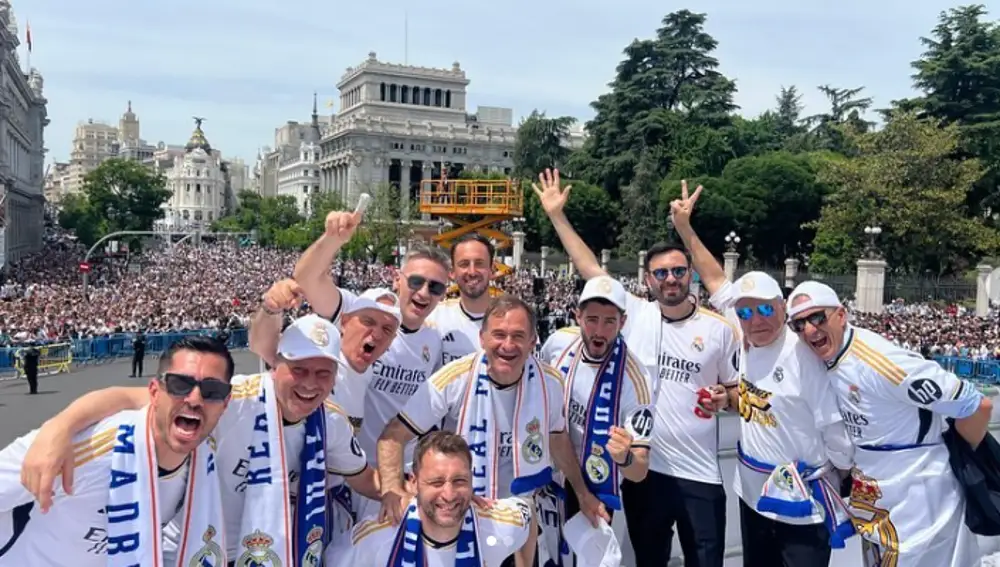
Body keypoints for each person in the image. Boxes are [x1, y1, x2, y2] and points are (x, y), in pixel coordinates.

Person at [19, 314, 381, 566]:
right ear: (275, 366)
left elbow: (364, 478)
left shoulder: (329, 421)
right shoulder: (229, 396)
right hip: (190, 547)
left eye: (322, 373)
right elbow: (128, 397)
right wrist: (60, 427)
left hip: (266, 551)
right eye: (298, 370)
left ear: (335, 378)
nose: (309, 383)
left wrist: (403, 489)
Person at [534, 168, 739, 567]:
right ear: (649, 280)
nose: (671, 279)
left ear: (690, 275)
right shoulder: (636, 314)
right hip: (642, 470)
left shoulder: (720, 329)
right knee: (647, 560)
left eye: (679, 271)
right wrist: (557, 216)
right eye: (661, 273)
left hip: (700, 474)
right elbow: (591, 269)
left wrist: (723, 397)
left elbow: (736, 394)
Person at [670, 183, 855, 566]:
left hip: (804, 503)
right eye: (746, 312)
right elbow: (717, 281)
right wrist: (685, 229)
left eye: (765, 311)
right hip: (753, 495)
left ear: (782, 308)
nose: (755, 320)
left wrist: (840, 475)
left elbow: (835, 430)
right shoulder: (744, 336)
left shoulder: (805, 354)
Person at [787, 281, 993, 567]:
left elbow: (975, 404)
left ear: (841, 315)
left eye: (817, 317)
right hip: (875, 498)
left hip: (922, 500)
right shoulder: (823, 357)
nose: (809, 329)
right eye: (798, 324)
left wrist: (961, 456)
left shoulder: (880, 362)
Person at [0, 336, 233, 565]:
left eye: (212, 390)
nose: (194, 399)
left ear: (226, 403)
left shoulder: (201, 466)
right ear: (154, 392)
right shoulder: (84, 447)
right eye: (179, 384)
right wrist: (62, 424)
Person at [377, 295, 568, 567]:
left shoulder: (551, 382)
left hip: (520, 516)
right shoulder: (454, 378)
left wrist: (583, 493)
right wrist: (393, 491)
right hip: (460, 510)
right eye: (499, 335)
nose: (508, 345)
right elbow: (393, 435)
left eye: (518, 336)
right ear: (482, 338)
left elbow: (557, 438)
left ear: (532, 341)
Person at [293, 210, 446, 486]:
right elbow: (307, 278)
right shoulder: (362, 311)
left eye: (435, 288)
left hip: (404, 470)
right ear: (398, 279)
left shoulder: (434, 340)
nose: (424, 293)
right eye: (416, 282)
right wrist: (332, 240)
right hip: (354, 471)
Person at [251, 278, 402, 542]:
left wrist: (412, 492)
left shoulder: (352, 394)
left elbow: (363, 477)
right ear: (344, 322)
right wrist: (271, 308)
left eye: (387, 329)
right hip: (268, 504)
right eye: (367, 321)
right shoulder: (320, 352)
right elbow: (264, 345)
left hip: (320, 506)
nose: (310, 382)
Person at [538, 275, 655, 566]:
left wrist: (626, 457)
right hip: (549, 472)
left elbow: (639, 471)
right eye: (591, 319)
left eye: (609, 322)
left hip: (594, 484)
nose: (599, 331)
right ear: (576, 315)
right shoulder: (558, 344)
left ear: (623, 322)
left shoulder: (636, 379)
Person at [328, 431, 536, 567]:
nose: (449, 494)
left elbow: (528, 510)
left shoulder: (497, 524)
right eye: (436, 482)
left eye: (459, 481)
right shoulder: (377, 538)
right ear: (414, 483)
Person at [426, 233, 497, 365]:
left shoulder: (513, 320)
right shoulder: (433, 318)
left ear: (492, 270)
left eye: (479, 264)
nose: (472, 271)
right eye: (464, 264)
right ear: (452, 272)